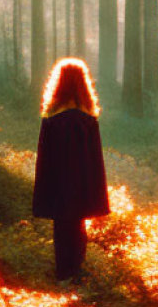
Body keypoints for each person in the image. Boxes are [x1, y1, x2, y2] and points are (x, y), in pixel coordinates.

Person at [33, 57, 110, 281]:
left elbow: (44, 161)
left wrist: (44, 192)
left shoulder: (52, 120)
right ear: (83, 84)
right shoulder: (88, 121)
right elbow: (96, 161)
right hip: (83, 186)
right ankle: (76, 271)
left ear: (58, 84)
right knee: (78, 226)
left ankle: (63, 272)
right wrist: (95, 193)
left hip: (58, 185)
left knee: (62, 227)